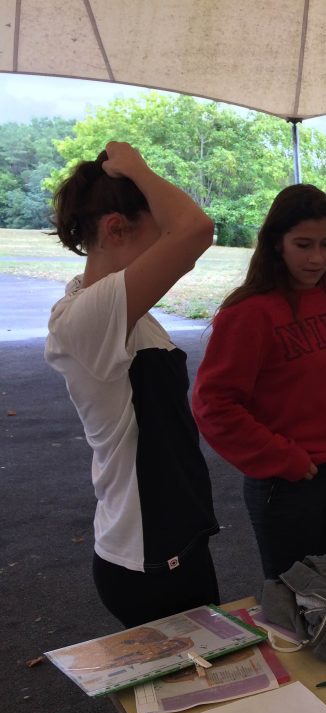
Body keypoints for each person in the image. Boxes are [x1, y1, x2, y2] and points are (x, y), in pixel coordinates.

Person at [45, 141, 221, 628]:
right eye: (156, 236)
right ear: (115, 229)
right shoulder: (90, 316)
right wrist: (137, 168)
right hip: (146, 558)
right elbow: (196, 230)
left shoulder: (115, 310)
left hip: (171, 542)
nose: (165, 248)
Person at [191, 184, 326, 580]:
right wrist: (283, 458)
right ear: (276, 243)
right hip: (286, 484)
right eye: (303, 245)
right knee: (297, 602)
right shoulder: (249, 312)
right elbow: (213, 405)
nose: (317, 258)